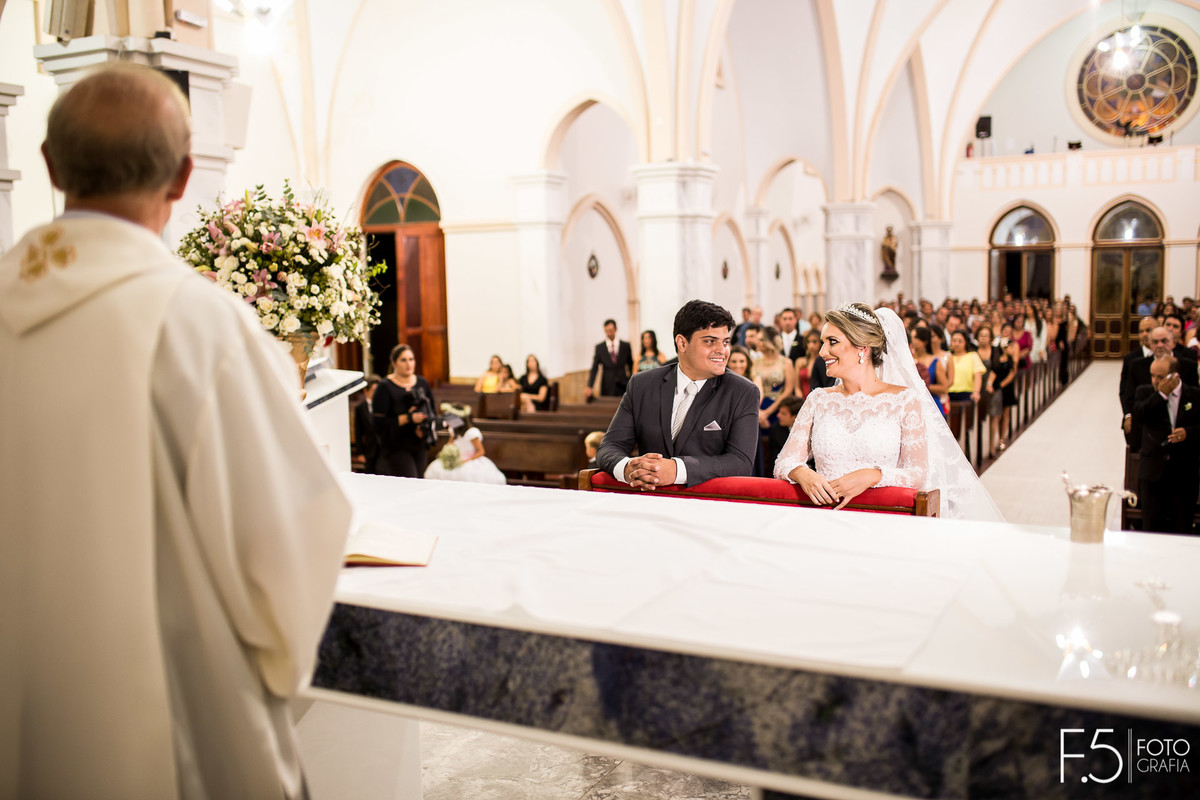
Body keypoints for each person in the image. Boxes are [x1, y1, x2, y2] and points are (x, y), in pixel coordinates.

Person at [0, 64, 352, 799]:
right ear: (186, 176)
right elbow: (293, 540)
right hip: (174, 738)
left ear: (50, 165)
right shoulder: (201, 326)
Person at [775, 303, 1002, 521]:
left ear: (862, 348)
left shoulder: (904, 400)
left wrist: (873, 475)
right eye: (823, 342)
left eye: (832, 342)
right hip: (826, 513)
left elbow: (918, 471)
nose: (823, 351)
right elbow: (785, 461)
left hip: (882, 516)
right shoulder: (818, 399)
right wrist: (802, 474)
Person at [596, 300, 760, 489]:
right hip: (649, 499)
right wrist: (628, 468)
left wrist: (677, 469)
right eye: (710, 341)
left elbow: (741, 462)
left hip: (708, 504)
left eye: (725, 342)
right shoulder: (642, 385)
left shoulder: (742, 392)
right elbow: (609, 448)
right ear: (682, 342)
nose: (722, 351)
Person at [1130, 357, 1200, 534]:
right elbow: (1138, 416)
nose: (1155, 381)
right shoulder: (1145, 393)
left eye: (1160, 377)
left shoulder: (1195, 395)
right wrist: (1160, 395)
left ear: (1175, 376)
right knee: (1151, 529)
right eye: (1152, 376)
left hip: (1184, 473)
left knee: (1181, 528)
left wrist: (1188, 432)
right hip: (1153, 472)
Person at [374, 343, 436, 478]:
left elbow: (432, 411)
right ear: (394, 362)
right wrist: (408, 418)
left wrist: (424, 426)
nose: (409, 364)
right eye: (403, 360)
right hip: (396, 447)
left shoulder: (422, 383)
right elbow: (379, 424)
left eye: (411, 359)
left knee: (419, 481)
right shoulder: (384, 387)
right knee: (410, 481)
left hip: (418, 443)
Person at [424, 404, 507, 484]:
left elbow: (481, 451)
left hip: (470, 460)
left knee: (467, 474)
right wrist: (449, 455)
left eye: (450, 418)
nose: (448, 421)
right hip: (456, 459)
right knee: (439, 469)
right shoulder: (453, 431)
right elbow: (450, 445)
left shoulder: (471, 433)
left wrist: (466, 460)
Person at [585, 318, 633, 398]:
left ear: (615, 329)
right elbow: (594, 368)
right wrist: (590, 386)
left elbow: (631, 365)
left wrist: (632, 384)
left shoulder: (625, 346)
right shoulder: (600, 348)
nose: (609, 333)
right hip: (607, 385)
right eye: (606, 331)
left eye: (611, 330)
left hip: (623, 384)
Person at [947, 330, 985, 406]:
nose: (956, 344)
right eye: (954, 341)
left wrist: (976, 392)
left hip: (967, 394)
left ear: (965, 342)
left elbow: (977, 375)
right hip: (948, 394)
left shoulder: (973, 356)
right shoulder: (947, 356)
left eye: (960, 341)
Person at [354, 374, 383, 473]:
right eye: (374, 391)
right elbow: (358, 433)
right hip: (370, 450)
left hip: (385, 450)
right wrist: (360, 453)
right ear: (366, 391)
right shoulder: (360, 409)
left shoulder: (384, 405)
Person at [795, 329, 822, 397]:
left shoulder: (824, 362)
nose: (811, 345)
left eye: (814, 342)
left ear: (820, 343)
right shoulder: (800, 362)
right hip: (802, 399)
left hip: (819, 398)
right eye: (808, 342)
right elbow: (796, 387)